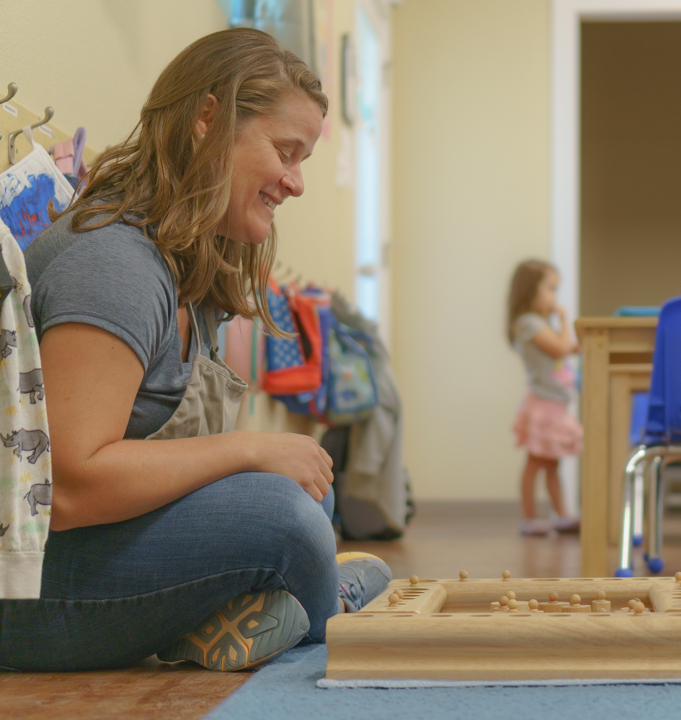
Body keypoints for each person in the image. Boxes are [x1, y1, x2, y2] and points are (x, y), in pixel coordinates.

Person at [0, 28, 390, 673]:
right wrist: (250, 448)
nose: (295, 183)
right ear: (207, 119)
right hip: (29, 595)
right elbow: (69, 485)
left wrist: (270, 460)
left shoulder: (183, 262)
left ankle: (245, 610)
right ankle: (323, 619)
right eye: (285, 151)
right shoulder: (114, 266)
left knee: (305, 484)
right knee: (285, 515)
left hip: (82, 559)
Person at [506, 260, 582, 535]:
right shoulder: (529, 323)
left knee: (553, 463)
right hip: (543, 404)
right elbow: (561, 349)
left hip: (555, 404)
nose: (554, 297)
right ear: (530, 291)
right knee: (535, 462)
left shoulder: (538, 324)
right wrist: (563, 319)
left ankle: (561, 515)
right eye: (550, 289)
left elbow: (563, 348)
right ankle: (529, 517)